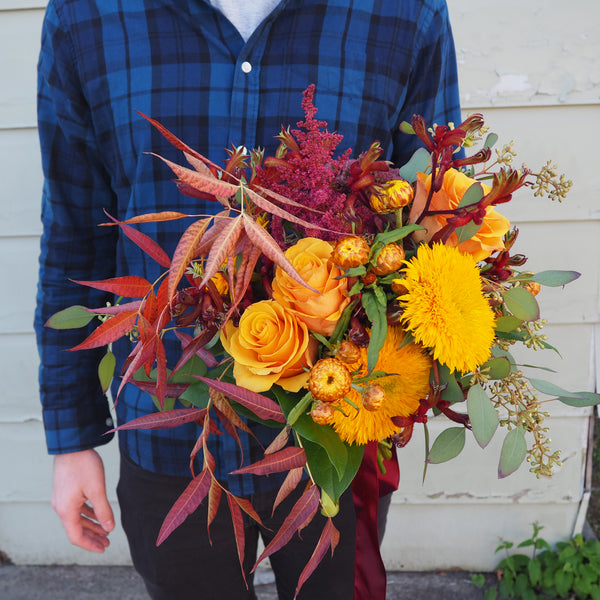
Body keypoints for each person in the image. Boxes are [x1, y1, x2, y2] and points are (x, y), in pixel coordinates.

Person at [35, 1, 461, 598]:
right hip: (173, 437)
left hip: (333, 435)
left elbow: (437, 211)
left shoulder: (401, 10)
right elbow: (76, 232)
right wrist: (72, 438)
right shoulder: (89, 14)